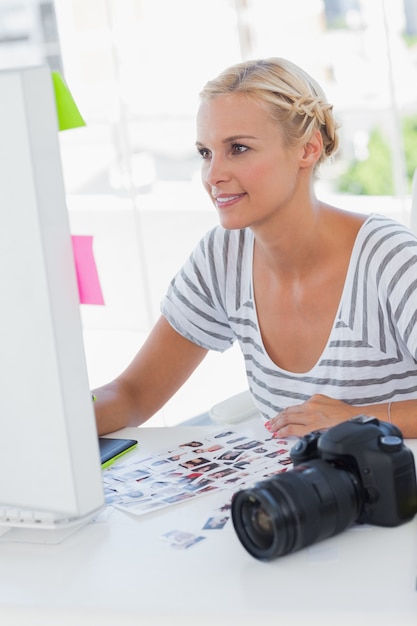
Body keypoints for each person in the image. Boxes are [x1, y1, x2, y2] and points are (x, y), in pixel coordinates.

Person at [93, 57, 417, 439]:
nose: (213, 175)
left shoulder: (390, 260)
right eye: (205, 153)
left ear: (308, 149)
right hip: (298, 493)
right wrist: (45, 428)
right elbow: (131, 394)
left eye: (239, 148)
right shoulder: (223, 256)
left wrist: (357, 420)